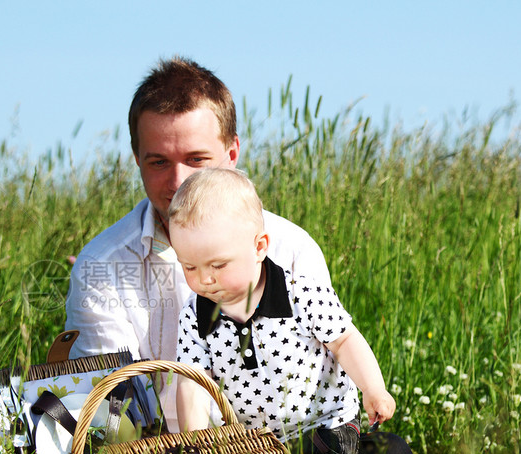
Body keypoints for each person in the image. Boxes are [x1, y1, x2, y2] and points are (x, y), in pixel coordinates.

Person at [63, 57, 331, 429]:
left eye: (196, 159)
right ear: (137, 159)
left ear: (232, 154)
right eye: (158, 162)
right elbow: (115, 415)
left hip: (278, 453)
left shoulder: (292, 249)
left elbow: (311, 391)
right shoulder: (101, 266)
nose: (179, 181)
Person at [168, 167, 397, 454]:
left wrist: (373, 389)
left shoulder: (300, 293)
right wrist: (198, 447)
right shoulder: (195, 315)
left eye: (218, 265)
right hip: (257, 445)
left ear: (259, 248)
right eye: (189, 267)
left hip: (323, 430)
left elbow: (344, 340)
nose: (203, 279)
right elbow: (193, 384)